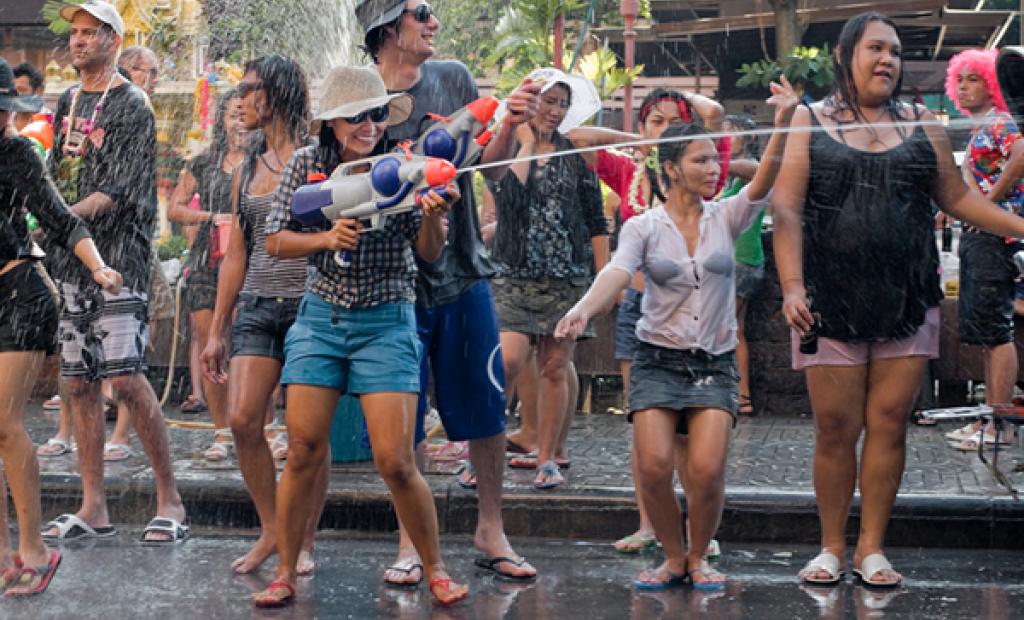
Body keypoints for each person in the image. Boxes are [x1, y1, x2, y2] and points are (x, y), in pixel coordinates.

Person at [772, 12, 1024, 588]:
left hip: (907, 296)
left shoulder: (923, 122)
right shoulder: (809, 122)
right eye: (875, 48)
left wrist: (1021, 224)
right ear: (845, 56)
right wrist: (790, 286)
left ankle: (872, 548)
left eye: (894, 51)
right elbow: (785, 209)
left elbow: (959, 197)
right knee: (835, 428)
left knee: (889, 424)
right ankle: (832, 547)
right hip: (824, 300)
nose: (887, 59)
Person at [555, 77, 798, 589]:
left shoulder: (728, 215)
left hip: (713, 364)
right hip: (656, 359)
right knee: (654, 466)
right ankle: (672, 556)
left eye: (715, 161)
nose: (714, 170)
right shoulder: (643, 226)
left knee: (707, 470)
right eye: (701, 161)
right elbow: (617, 272)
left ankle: (698, 554)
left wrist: (781, 124)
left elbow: (765, 177)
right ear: (670, 168)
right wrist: (582, 311)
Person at [253, 63, 467, 608]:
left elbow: (430, 254)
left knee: (396, 459)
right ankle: (285, 571)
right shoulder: (306, 163)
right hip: (322, 317)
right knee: (301, 448)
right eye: (356, 116)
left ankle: (436, 566)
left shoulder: (404, 166)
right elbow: (274, 240)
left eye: (376, 114)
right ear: (333, 122)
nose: (369, 124)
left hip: (386, 318)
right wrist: (325, 237)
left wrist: (432, 215)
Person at [355, 0, 541, 584]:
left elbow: (490, 166)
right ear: (386, 28)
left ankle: (491, 529)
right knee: (401, 417)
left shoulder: (453, 76)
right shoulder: (359, 95)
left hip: (461, 270)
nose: (433, 22)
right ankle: (410, 539)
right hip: (392, 282)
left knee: (485, 407)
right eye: (420, 13)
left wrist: (509, 123)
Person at [42, 0, 187, 544]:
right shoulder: (68, 100)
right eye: (74, 33)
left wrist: (52, 217)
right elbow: (58, 174)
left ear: (112, 41)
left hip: (120, 261)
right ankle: (94, 505)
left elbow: (118, 192)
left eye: (89, 33)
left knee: (125, 377)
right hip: (72, 261)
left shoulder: (133, 104)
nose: (78, 41)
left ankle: (170, 499)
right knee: (78, 382)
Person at [567, 88, 729, 553]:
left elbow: (714, 115)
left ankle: (698, 531)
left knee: (689, 437)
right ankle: (649, 523)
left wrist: (680, 118)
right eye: (653, 121)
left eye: (671, 122)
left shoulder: (699, 175)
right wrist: (641, 141)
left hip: (698, 316)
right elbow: (578, 136)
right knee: (647, 427)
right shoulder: (628, 169)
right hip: (641, 310)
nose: (661, 130)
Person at [0, 56, 122, 596]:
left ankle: (34, 549)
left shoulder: (17, 152)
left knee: (4, 423)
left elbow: (61, 218)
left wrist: (97, 266)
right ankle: (6, 554)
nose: (5, 118)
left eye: (7, 109)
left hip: (21, 292)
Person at [200, 54, 324, 574]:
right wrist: (218, 328)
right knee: (244, 419)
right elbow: (237, 253)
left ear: (275, 95)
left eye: (251, 89)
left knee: (305, 435)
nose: (241, 99)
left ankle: (304, 541)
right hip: (256, 303)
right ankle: (273, 530)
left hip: (310, 304)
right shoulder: (246, 165)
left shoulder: (319, 155)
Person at [488, 69, 608, 489]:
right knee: (505, 361)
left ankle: (548, 457)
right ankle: (481, 452)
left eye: (561, 103)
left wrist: (602, 282)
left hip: (567, 278)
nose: (555, 111)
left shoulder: (574, 154)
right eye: (547, 101)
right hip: (513, 274)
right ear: (529, 101)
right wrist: (523, 141)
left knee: (556, 366)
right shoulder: (507, 147)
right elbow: (504, 190)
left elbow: (596, 221)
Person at [943, 48, 1024, 450]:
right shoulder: (981, 128)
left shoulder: (1002, 121)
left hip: (998, 237)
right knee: (988, 330)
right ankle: (990, 420)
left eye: (973, 78)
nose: (964, 86)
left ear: (992, 83)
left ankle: (998, 426)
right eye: (960, 79)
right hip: (983, 237)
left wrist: (988, 204)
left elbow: (1022, 154)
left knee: (997, 331)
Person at [168, 89, 245, 460]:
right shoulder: (204, 163)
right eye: (232, 114)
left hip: (250, 259)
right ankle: (221, 432)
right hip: (207, 259)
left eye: (245, 114)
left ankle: (257, 425)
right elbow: (174, 209)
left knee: (245, 340)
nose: (239, 121)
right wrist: (211, 218)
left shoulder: (266, 161)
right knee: (208, 338)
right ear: (222, 121)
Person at [719, 114, 764, 416]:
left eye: (731, 135)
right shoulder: (730, 174)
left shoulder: (749, 170)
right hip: (739, 259)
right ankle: (741, 394)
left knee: (727, 327)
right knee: (736, 329)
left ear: (748, 138)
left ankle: (737, 394)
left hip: (741, 259)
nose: (724, 140)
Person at [11, 62, 47, 133]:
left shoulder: (48, 121)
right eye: (12, 91)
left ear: (39, 91)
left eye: (21, 90)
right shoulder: (5, 121)